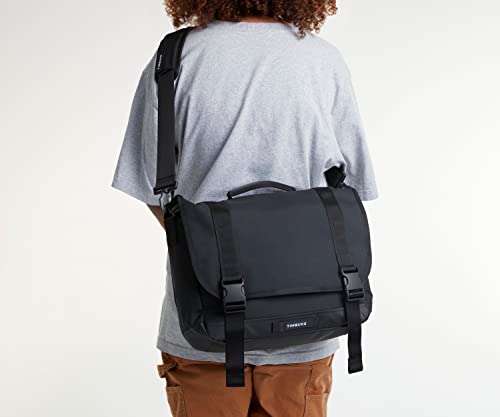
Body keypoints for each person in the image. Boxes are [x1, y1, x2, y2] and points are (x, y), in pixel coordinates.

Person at [112, 1, 378, 416]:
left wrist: (208, 253)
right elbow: (353, 191)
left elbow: (150, 187)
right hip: (308, 321)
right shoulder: (322, 59)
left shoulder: (174, 59)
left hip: (202, 319)